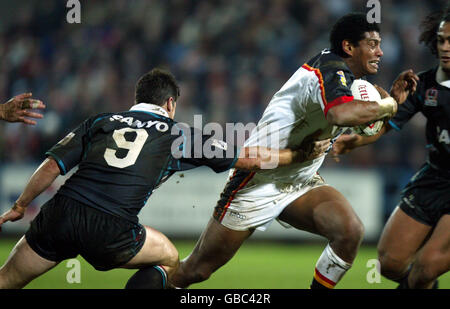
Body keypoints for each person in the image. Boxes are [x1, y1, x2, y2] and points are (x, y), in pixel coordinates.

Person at [0, 68, 329, 289]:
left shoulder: (101, 121)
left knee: (6, 280)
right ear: (170, 103)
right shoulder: (178, 133)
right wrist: (300, 155)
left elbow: (52, 166)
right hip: (111, 229)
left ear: (137, 99)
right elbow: (249, 158)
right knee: (171, 258)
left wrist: (20, 205)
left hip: (60, 215)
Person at [165, 13, 417, 290]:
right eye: (372, 44)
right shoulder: (330, 70)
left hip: (301, 180)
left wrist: (386, 109)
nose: (380, 52)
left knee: (349, 231)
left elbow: (354, 134)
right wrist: (389, 105)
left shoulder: (351, 85)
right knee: (196, 270)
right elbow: (339, 114)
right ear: (348, 47)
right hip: (259, 179)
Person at [332, 9, 450, 289]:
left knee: (426, 268)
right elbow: (387, 124)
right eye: (443, 40)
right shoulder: (424, 85)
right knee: (389, 263)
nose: (446, 47)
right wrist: (355, 140)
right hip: (434, 179)